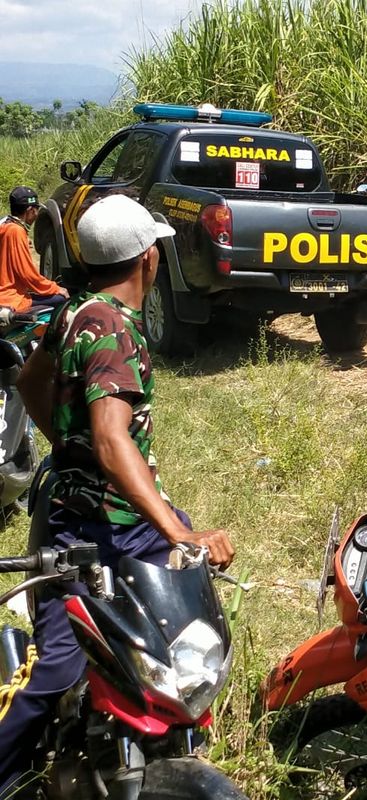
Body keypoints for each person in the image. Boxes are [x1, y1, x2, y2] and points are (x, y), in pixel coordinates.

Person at [1, 194, 234, 794]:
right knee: (57, 669)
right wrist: (178, 531)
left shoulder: (76, 310)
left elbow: (29, 379)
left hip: (115, 515)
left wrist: (67, 445)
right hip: (89, 531)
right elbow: (111, 439)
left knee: (175, 631)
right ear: (148, 258)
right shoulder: (113, 329)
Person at [0, 187, 67, 311]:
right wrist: (55, 288)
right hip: (10, 298)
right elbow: (27, 274)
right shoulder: (16, 231)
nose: (36, 215)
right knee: (61, 298)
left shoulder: (4, 225)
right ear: (30, 210)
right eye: (36, 210)